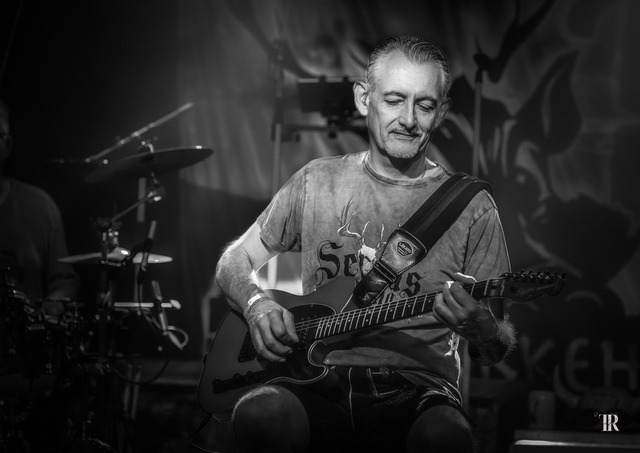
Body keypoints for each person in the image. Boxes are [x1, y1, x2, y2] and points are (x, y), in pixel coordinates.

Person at [215, 36, 516, 453]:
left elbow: (497, 345)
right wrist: (256, 305)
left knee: (446, 436)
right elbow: (234, 259)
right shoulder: (316, 180)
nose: (408, 119)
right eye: (394, 100)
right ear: (363, 98)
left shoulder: (473, 206)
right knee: (260, 413)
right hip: (312, 375)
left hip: (418, 387)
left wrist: (483, 329)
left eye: (424, 105)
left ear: (441, 112)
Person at [0, 98, 78, 312]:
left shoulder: (40, 206)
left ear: (8, 144)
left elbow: (64, 282)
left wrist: (53, 304)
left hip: (25, 332)